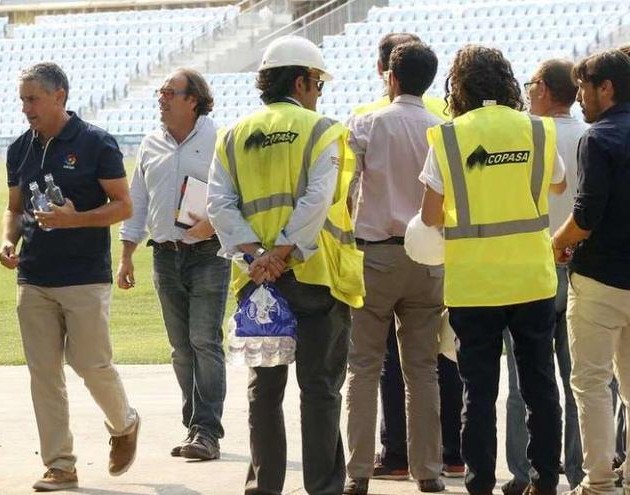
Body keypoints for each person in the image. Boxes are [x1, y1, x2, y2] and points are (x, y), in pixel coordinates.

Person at [208, 35, 365, 495]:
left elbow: (219, 203)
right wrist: (284, 250)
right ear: (301, 80)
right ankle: (323, 488)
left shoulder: (232, 135)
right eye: (317, 82)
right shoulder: (323, 131)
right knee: (319, 390)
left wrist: (257, 255)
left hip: (257, 281)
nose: (319, 92)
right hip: (314, 276)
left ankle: (264, 487)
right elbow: (319, 199)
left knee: (265, 390)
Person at [419, 45, 566, 495]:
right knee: (540, 384)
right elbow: (558, 182)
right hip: (532, 277)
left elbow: (429, 215)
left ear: (458, 85)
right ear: (507, 81)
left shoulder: (448, 137)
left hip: (473, 284)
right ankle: (543, 479)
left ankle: (480, 482)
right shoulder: (539, 132)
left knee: (477, 392)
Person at [0, 62, 139, 492]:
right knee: (44, 373)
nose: (26, 108)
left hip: (84, 277)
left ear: (59, 96)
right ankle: (60, 465)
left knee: (90, 364)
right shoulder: (19, 148)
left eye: (32, 99)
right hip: (34, 277)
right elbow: (15, 208)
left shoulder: (96, 143)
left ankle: (124, 423)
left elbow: (123, 206)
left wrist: (75, 221)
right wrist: (8, 241)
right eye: (22, 99)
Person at [345, 32, 463, 483]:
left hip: (376, 254)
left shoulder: (367, 123)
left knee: (364, 368)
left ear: (390, 78)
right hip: (428, 257)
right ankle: (429, 470)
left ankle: (357, 473)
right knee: (423, 371)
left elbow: (348, 190)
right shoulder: (443, 127)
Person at [118, 68, 229, 461]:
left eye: (169, 92)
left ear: (193, 99)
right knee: (181, 348)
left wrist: (213, 223)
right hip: (164, 255)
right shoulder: (150, 144)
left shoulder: (220, 139)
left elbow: (238, 194)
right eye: (161, 93)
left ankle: (206, 431)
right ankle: (193, 426)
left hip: (209, 254)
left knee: (205, 341)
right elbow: (138, 201)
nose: (161, 99)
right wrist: (126, 254)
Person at [501, 58, 588, 495]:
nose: (528, 90)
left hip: (531, 267)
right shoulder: (589, 136)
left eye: (532, 83)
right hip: (579, 268)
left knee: (524, 382)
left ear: (545, 90)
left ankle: (524, 472)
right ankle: (579, 470)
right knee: (582, 381)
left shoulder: (528, 136)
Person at [552, 49, 630, 495]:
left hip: (600, 280)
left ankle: (599, 481)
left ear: (607, 88)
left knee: (592, 383)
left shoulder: (598, 137)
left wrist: (559, 242)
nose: (579, 96)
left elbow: (586, 215)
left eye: (584, 87)